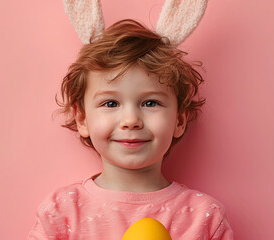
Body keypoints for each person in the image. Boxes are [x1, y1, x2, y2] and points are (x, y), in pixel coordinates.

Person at [26, 18, 233, 240]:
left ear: (179, 121)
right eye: (111, 103)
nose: (131, 120)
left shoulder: (204, 219)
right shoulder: (61, 212)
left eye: (150, 103)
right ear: (83, 119)